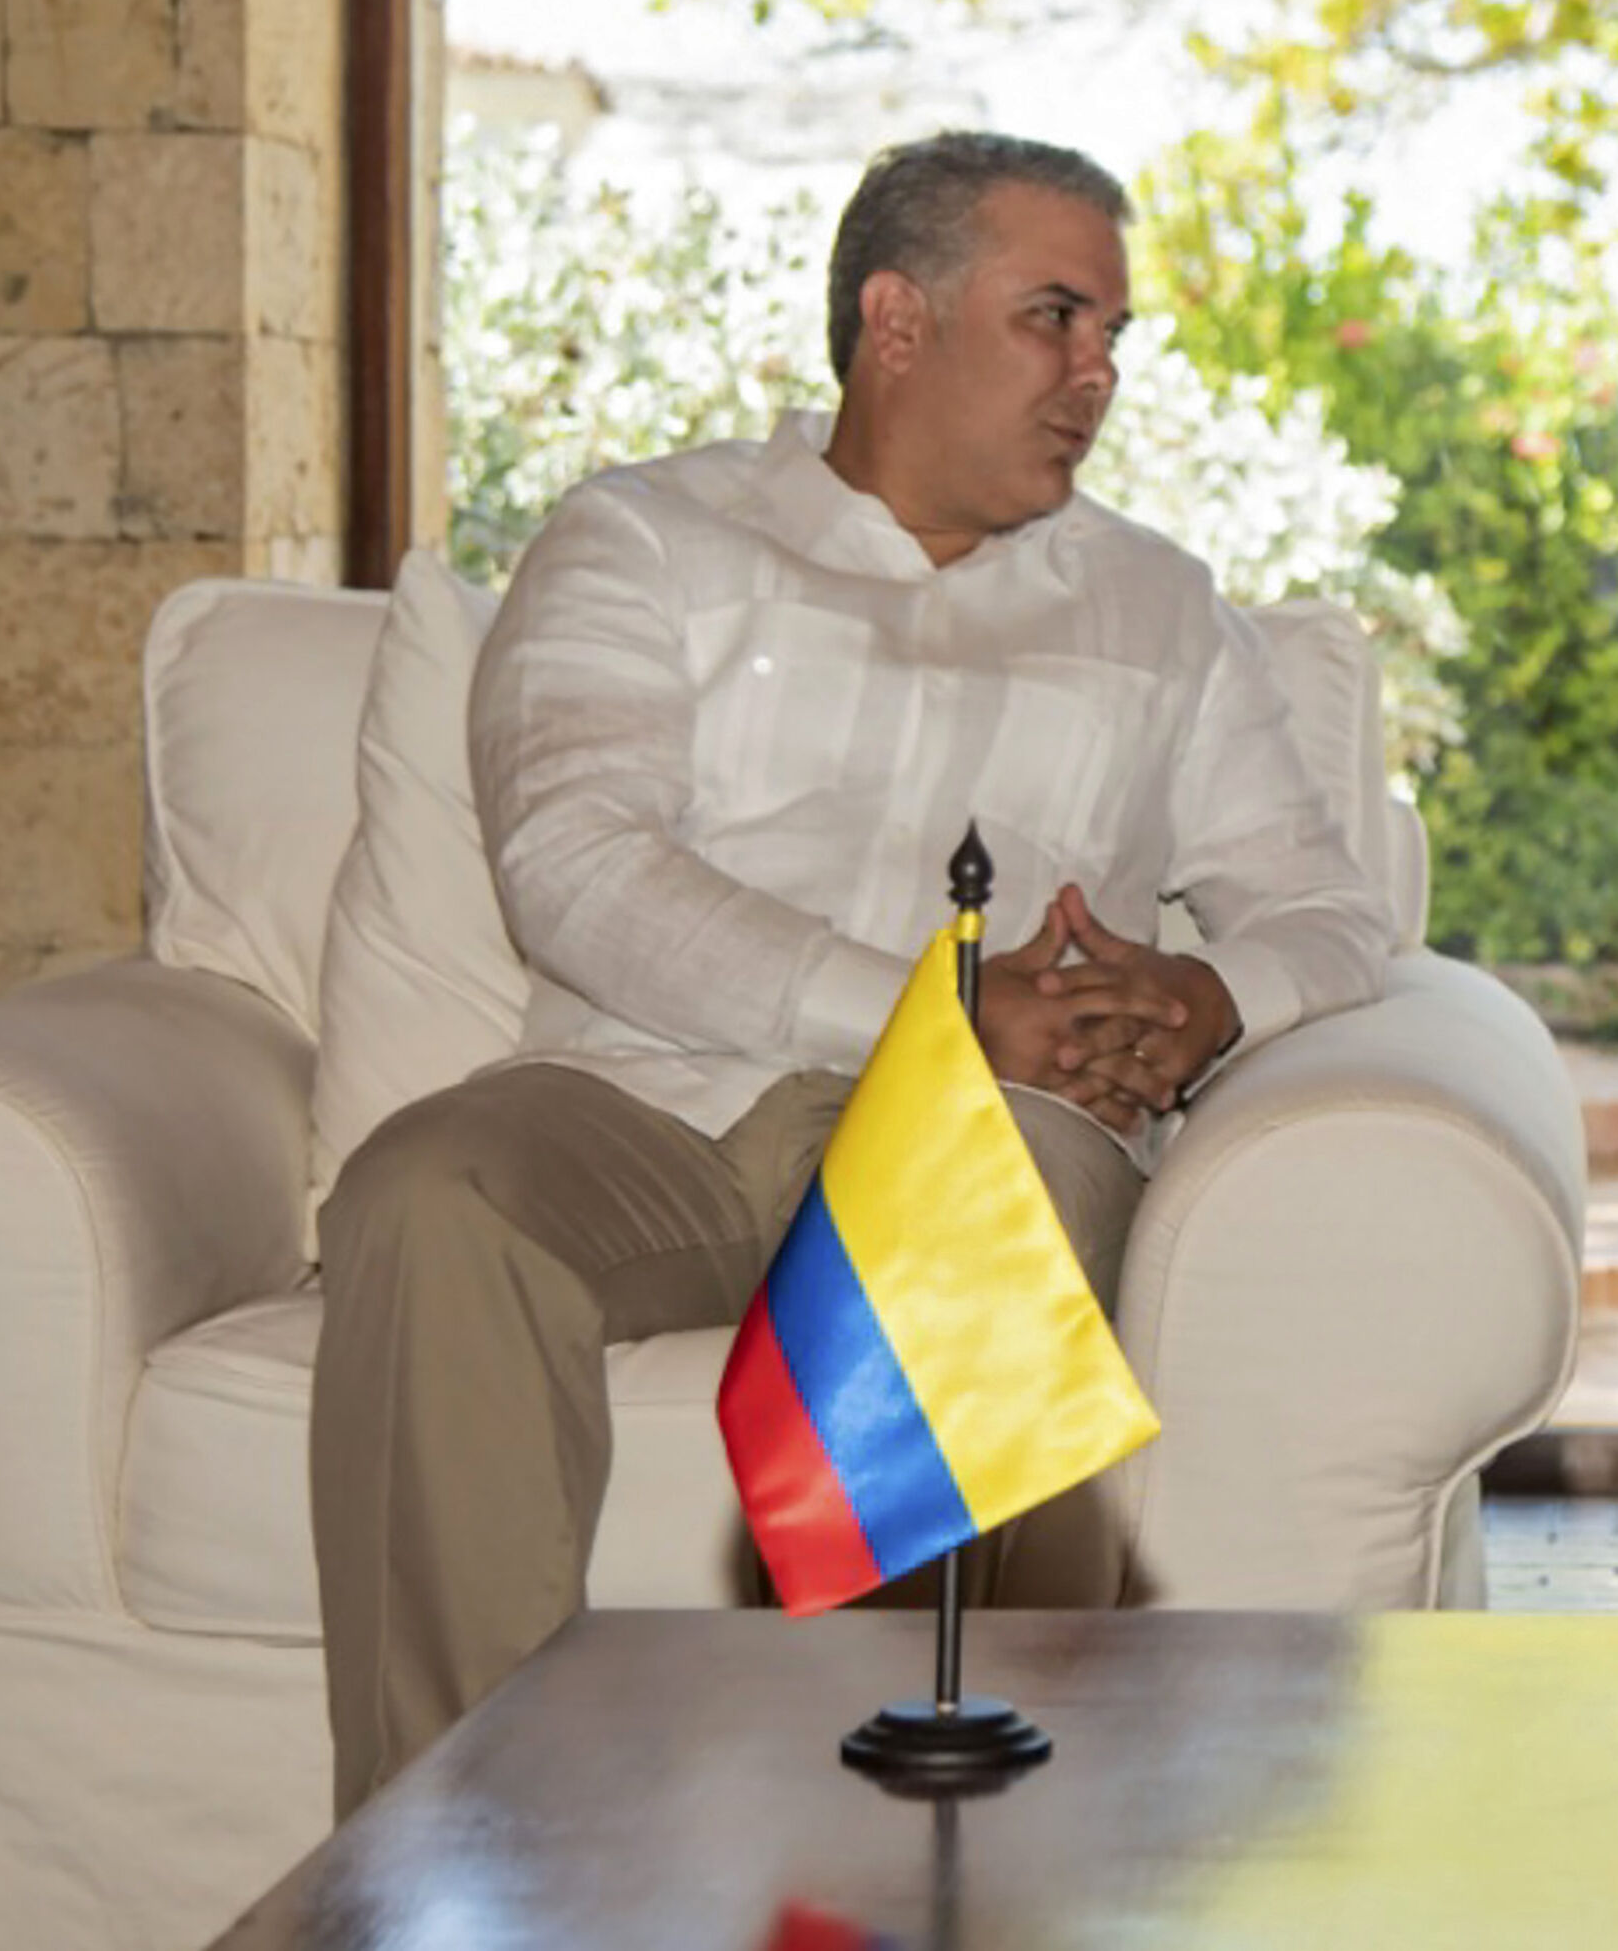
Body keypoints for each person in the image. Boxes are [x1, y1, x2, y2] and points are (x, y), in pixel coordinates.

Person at [310, 129, 1396, 1809]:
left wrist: (1208, 1003)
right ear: (898, 320)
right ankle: (448, 1847)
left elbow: (1328, 908)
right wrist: (935, 1009)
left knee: (990, 1199)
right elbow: (576, 869)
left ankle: (921, 1852)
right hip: (651, 1097)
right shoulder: (642, 540)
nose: (1099, 372)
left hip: (990, 1126)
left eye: (1112, 332)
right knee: (427, 1192)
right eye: (1055, 317)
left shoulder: (1157, 608)